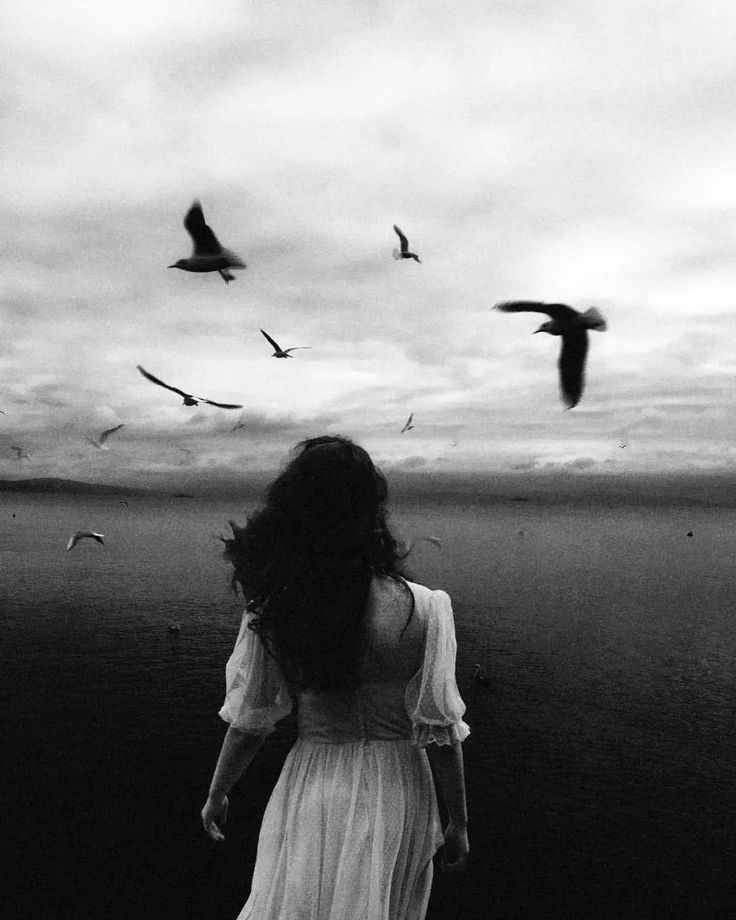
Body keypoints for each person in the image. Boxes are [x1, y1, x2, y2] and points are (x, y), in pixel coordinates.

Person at [201, 435, 470, 920]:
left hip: (317, 783)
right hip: (399, 789)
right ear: (372, 509)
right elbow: (442, 730)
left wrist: (218, 793)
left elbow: (250, 722)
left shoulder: (278, 607)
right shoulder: (427, 608)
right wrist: (460, 822)